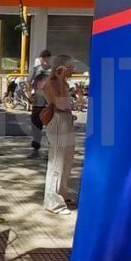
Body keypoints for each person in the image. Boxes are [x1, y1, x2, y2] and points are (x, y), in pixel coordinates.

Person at [42, 55, 77, 215]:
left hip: (66, 121)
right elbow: (61, 104)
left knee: (67, 160)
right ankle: (52, 201)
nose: (73, 70)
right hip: (57, 123)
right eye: (70, 66)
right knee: (57, 161)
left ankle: (62, 192)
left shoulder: (64, 83)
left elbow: (67, 105)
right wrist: (60, 78)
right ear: (61, 68)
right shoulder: (50, 83)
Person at [27, 50, 52, 159]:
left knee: (50, 128)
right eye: (42, 58)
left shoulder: (52, 71)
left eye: (46, 58)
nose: (44, 60)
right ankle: (35, 149)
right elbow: (28, 82)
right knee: (36, 127)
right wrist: (29, 94)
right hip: (37, 103)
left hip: (49, 103)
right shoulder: (35, 70)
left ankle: (50, 150)